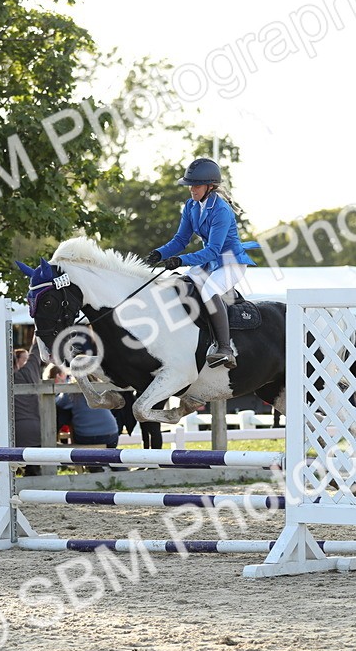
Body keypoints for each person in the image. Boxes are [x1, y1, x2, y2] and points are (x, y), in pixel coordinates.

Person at [145, 157, 259, 370]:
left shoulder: (221, 210)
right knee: (180, 283)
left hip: (230, 262)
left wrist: (181, 260)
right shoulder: (191, 206)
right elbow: (180, 240)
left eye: (196, 186)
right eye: (190, 186)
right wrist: (159, 254)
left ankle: (225, 348)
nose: (191, 190)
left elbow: (213, 250)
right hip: (211, 262)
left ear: (210, 186)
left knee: (209, 291)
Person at [53, 368, 120, 448]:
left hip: (86, 437)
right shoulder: (101, 388)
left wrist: (62, 386)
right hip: (112, 434)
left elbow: (57, 403)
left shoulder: (72, 392)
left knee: (66, 414)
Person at [12, 347, 41, 449]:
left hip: (12, 434)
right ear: (16, 361)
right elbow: (36, 351)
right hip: (35, 432)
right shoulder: (28, 373)